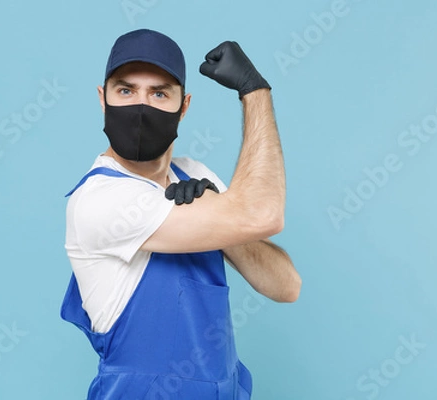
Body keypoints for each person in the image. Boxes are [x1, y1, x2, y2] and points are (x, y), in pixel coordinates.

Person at [61, 28, 301, 399]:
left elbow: (285, 286)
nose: (141, 106)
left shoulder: (197, 176)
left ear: (183, 106)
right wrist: (255, 91)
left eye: (159, 93)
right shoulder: (99, 199)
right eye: (126, 90)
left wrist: (222, 224)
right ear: (102, 98)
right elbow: (264, 214)